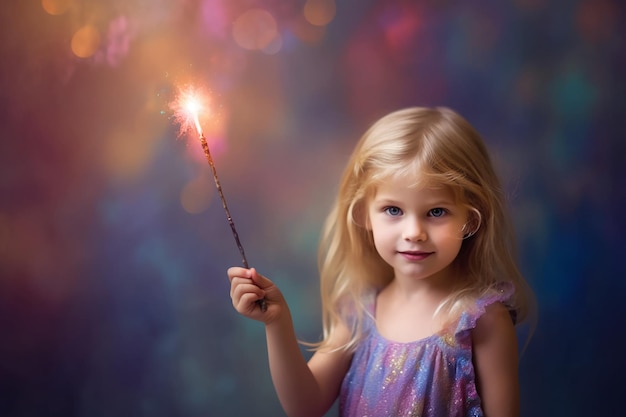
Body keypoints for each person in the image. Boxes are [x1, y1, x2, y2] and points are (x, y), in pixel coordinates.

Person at [227, 107, 534, 417]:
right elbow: (305, 405)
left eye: (437, 212)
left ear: (470, 218)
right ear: (363, 213)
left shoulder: (482, 321)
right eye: (393, 210)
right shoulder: (359, 314)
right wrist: (276, 322)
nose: (414, 233)